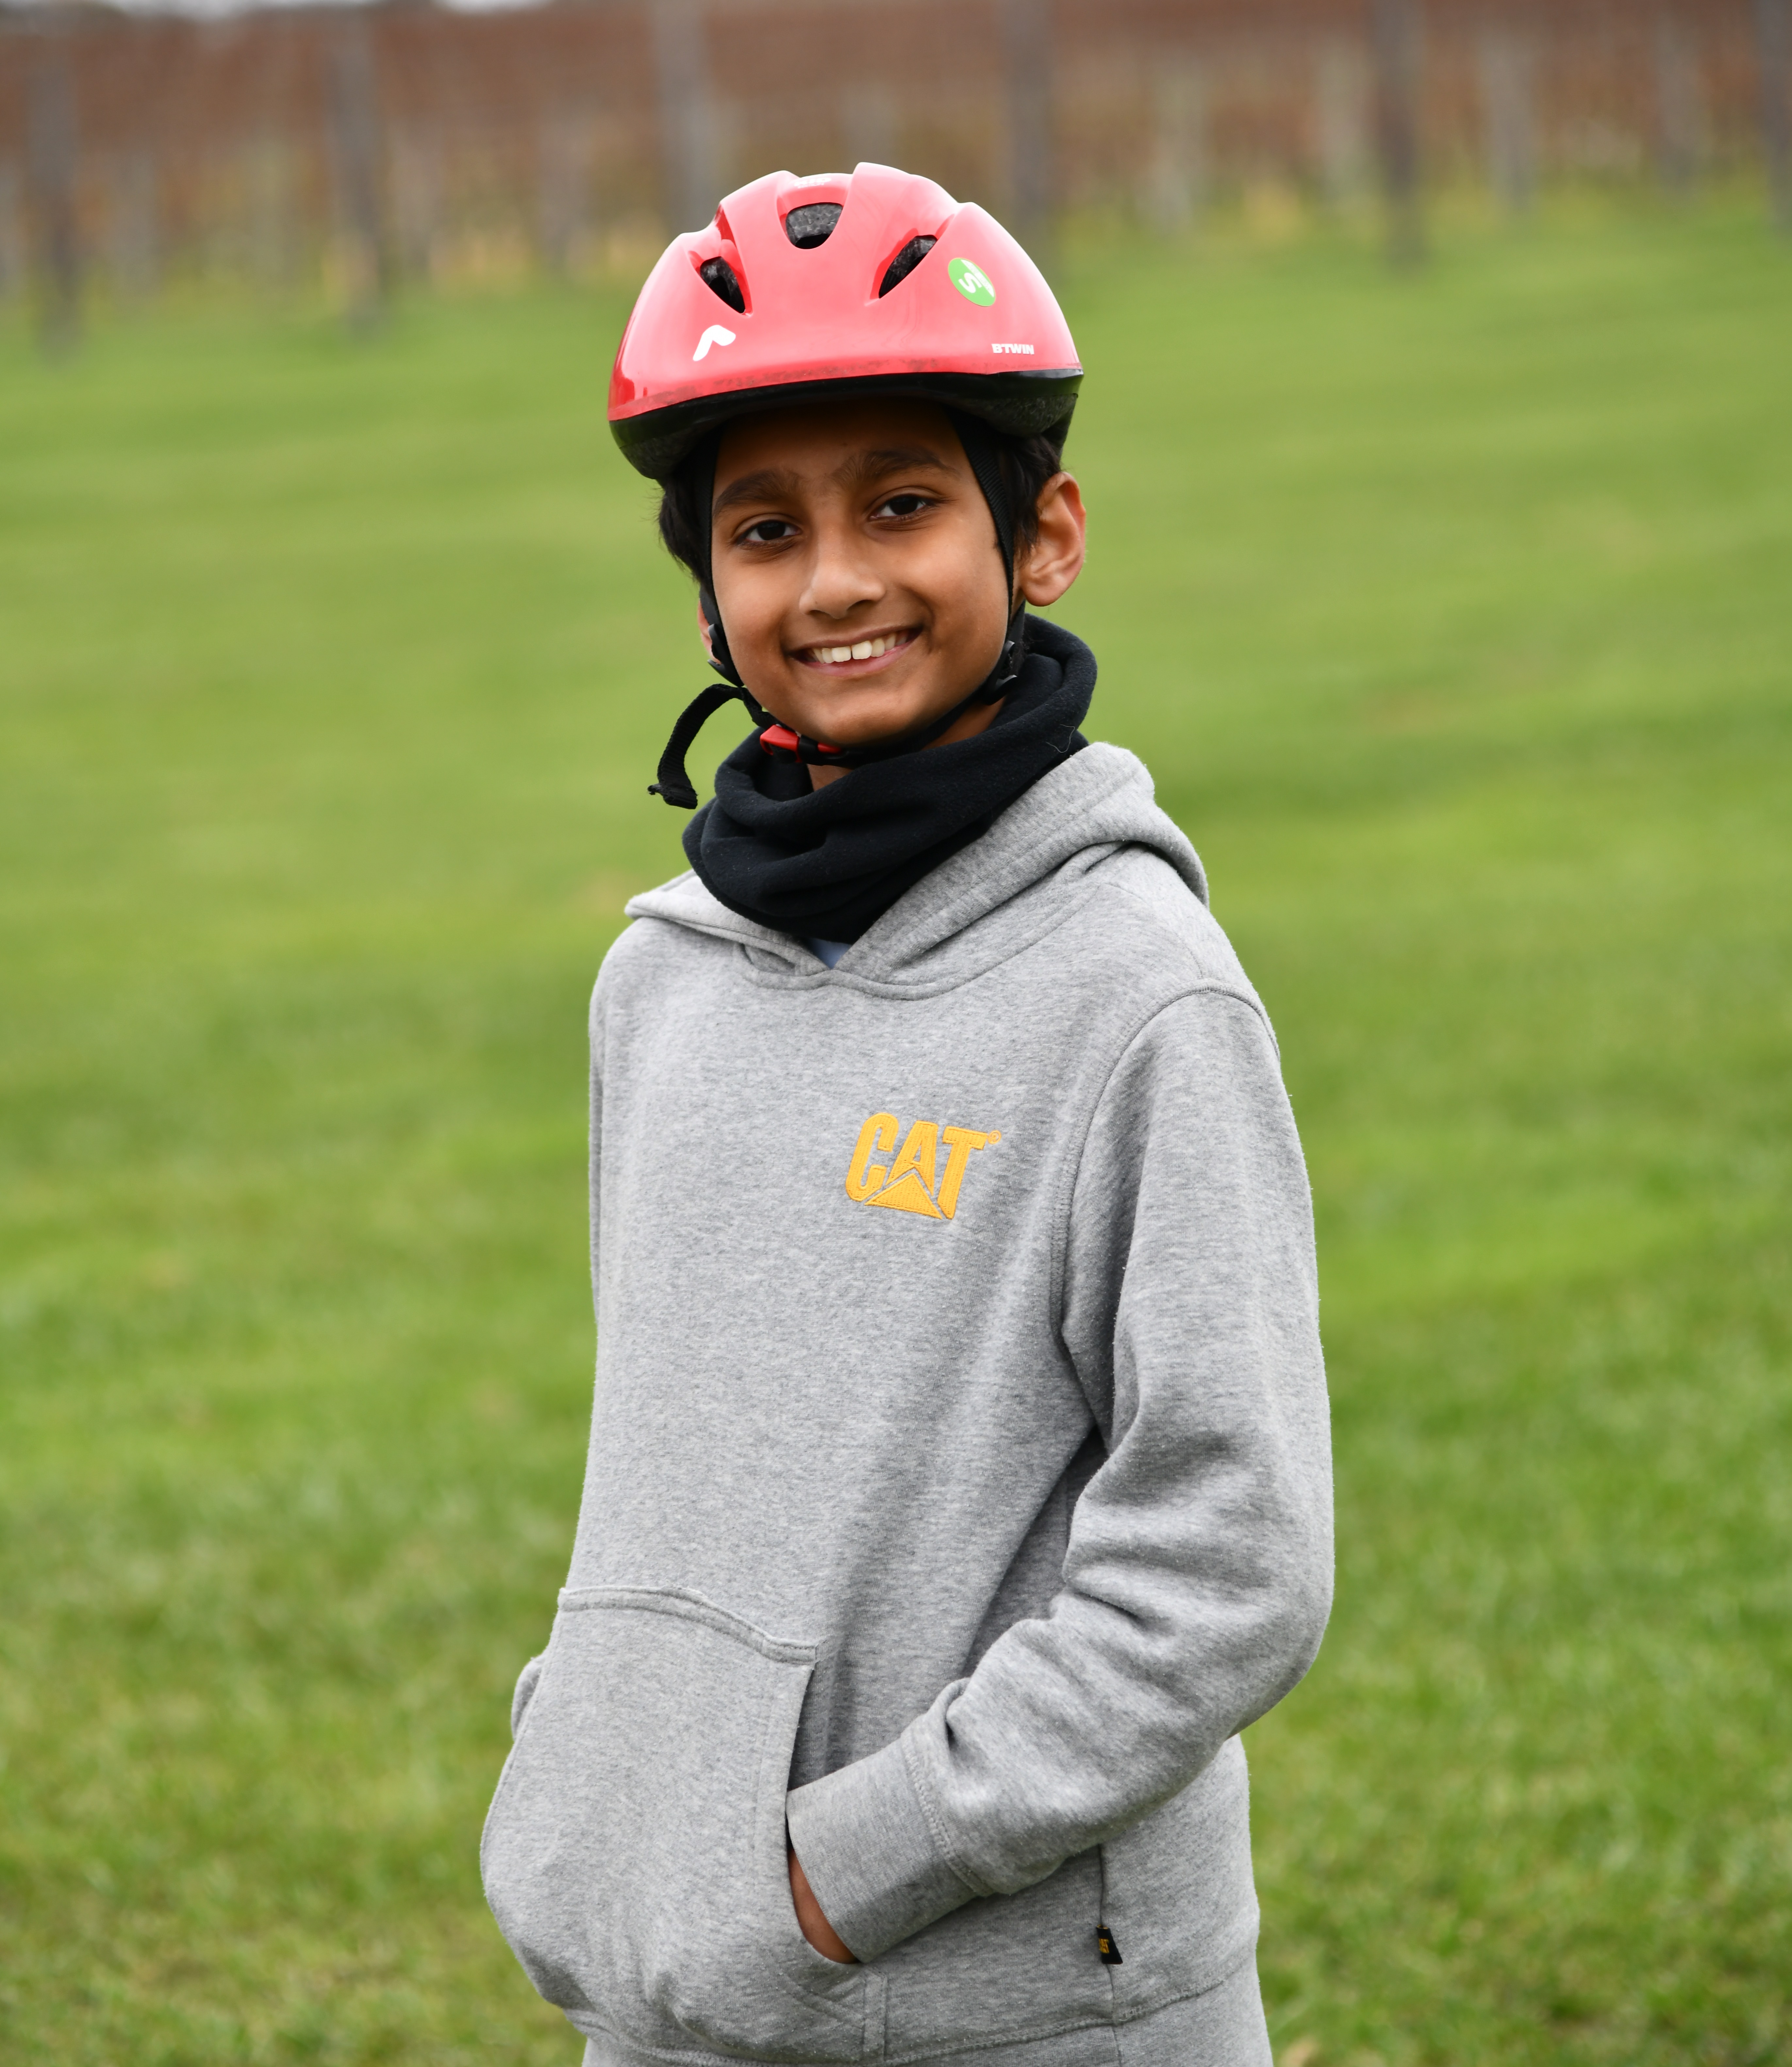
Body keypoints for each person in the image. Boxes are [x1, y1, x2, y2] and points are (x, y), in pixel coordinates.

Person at [481, 163, 1333, 2067]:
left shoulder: (1140, 992)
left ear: (1046, 535)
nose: (838, 579)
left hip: (1031, 2006)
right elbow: (670, 1456)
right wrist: (599, 1767)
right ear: (710, 588)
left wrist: (843, 1868)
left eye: (902, 502)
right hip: (677, 1982)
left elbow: (1231, 1564)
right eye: (765, 527)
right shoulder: (660, 985)